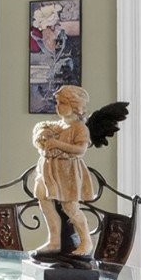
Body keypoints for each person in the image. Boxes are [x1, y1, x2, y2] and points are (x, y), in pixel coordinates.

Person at [32, 84, 96, 259]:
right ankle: (54, 240)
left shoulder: (79, 127)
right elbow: (44, 132)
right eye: (57, 103)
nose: (57, 107)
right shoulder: (59, 125)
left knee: (70, 207)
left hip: (67, 173)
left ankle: (86, 240)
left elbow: (80, 151)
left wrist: (57, 144)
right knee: (43, 200)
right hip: (49, 171)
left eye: (61, 103)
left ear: (74, 106)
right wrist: (43, 135)